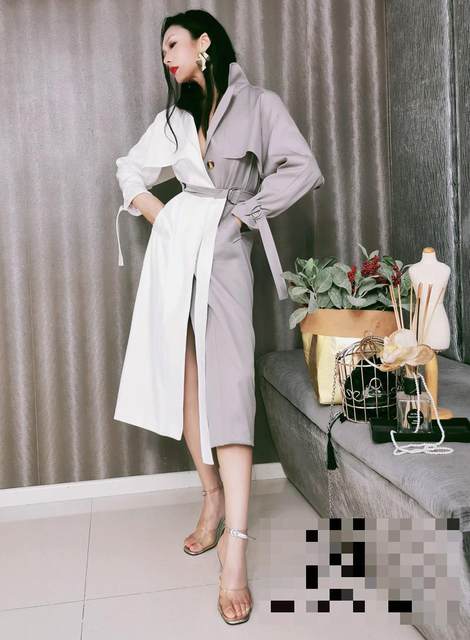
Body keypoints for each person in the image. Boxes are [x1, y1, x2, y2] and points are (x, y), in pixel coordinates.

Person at [113, 9, 325, 625]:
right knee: (186, 380)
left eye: (173, 44)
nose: (166, 57)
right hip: (176, 252)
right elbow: (129, 169)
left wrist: (240, 215)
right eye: (162, 50)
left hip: (226, 253)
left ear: (204, 43)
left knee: (228, 388)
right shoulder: (174, 119)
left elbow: (303, 168)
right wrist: (163, 217)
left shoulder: (258, 104)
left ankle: (236, 546)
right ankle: (211, 498)